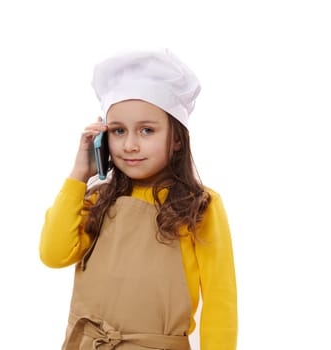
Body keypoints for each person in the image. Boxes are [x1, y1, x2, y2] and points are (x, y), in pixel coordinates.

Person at [39, 48, 238, 350]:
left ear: (176, 139)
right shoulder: (96, 198)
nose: (130, 145)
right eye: (118, 131)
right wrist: (79, 175)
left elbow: (219, 300)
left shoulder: (200, 205)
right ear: (104, 138)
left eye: (147, 130)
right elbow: (53, 255)